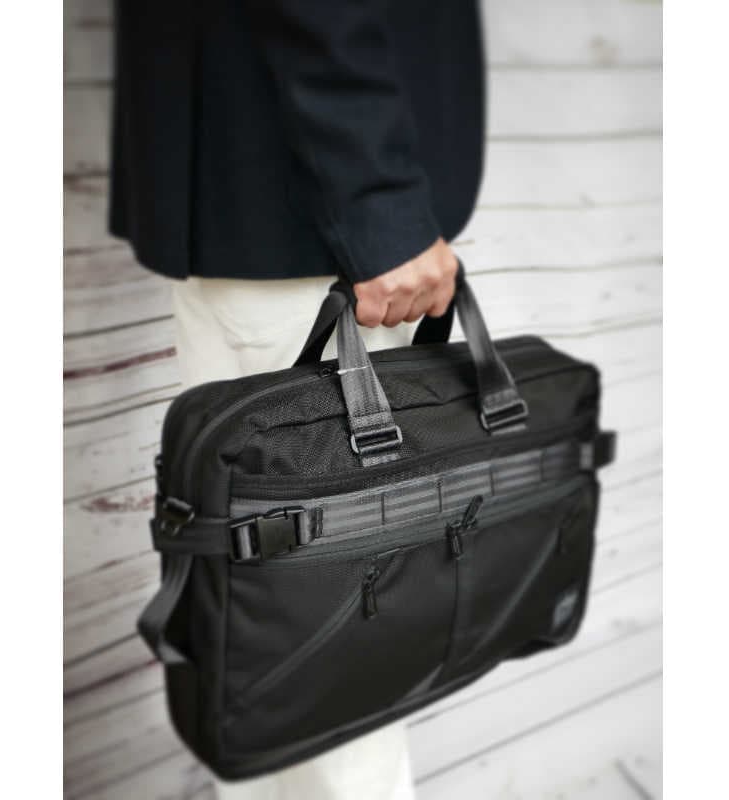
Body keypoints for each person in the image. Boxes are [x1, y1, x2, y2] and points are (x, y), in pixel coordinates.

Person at [108, 0, 486, 797]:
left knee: (297, 655)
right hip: (314, 209)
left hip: (316, 205)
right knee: (331, 667)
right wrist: (380, 204)